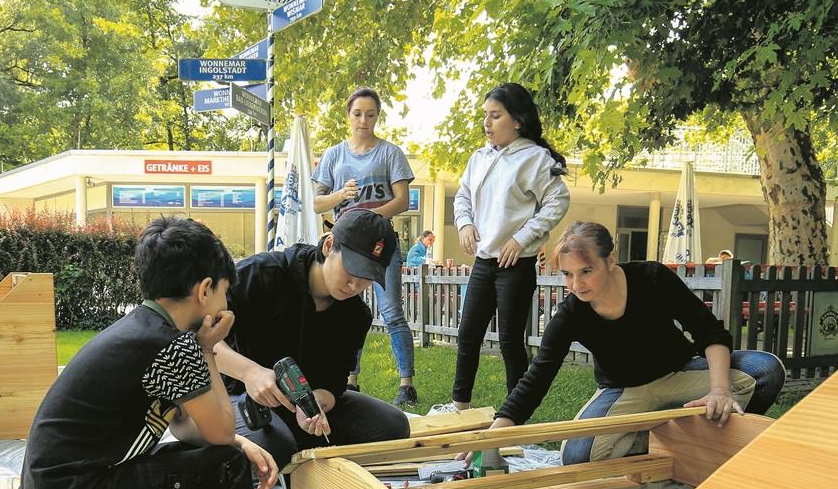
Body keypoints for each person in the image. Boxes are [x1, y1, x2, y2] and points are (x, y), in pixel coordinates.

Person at [16, 217, 309, 489]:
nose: (228, 301)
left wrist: (240, 442)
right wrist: (210, 351)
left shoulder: (149, 331)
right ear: (204, 290)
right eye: (226, 291)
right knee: (225, 463)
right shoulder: (173, 346)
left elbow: (189, 429)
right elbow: (220, 432)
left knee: (219, 457)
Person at [471, 221, 785, 465]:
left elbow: (711, 334)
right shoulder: (570, 315)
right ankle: (668, 435)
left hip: (681, 376)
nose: (576, 285)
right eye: (567, 274)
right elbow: (536, 378)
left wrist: (719, 391)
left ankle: (718, 437)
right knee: (577, 455)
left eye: (586, 271)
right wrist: (492, 438)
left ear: (610, 260)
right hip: (623, 391)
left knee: (766, 370)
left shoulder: (652, 278)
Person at [213, 208, 412, 473]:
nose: (354, 285)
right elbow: (202, 338)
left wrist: (317, 403)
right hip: (242, 398)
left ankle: (301, 442)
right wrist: (249, 372)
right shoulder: (262, 273)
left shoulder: (355, 315)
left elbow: (334, 381)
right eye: (351, 270)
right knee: (275, 448)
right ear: (329, 246)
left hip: (300, 406)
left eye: (366, 278)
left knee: (393, 426)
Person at [444, 82, 571, 412]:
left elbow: (557, 202)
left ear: (516, 120)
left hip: (516, 265)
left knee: (510, 341)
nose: (487, 123)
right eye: (485, 115)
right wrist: (465, 223)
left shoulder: (535, 159)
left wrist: (521, 238)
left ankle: (516, 412)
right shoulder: (479, 157)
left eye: (495, 115)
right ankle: (460, 406)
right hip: (484, 263)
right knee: (468, 334)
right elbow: (463, 196)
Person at [313, 86, 418, 406]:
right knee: (345, 308)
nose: (363, 120)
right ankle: (348, 380)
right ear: (348, 115)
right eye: (358, 114)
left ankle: (406, 384)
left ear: (377, 117)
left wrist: (367, 217)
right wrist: (340, 197)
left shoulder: (390, 153)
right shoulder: (333, 155)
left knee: (391, 311)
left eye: (370, 114)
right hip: (345, 245)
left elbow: (402, 200)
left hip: (381, 243)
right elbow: (317, 203)